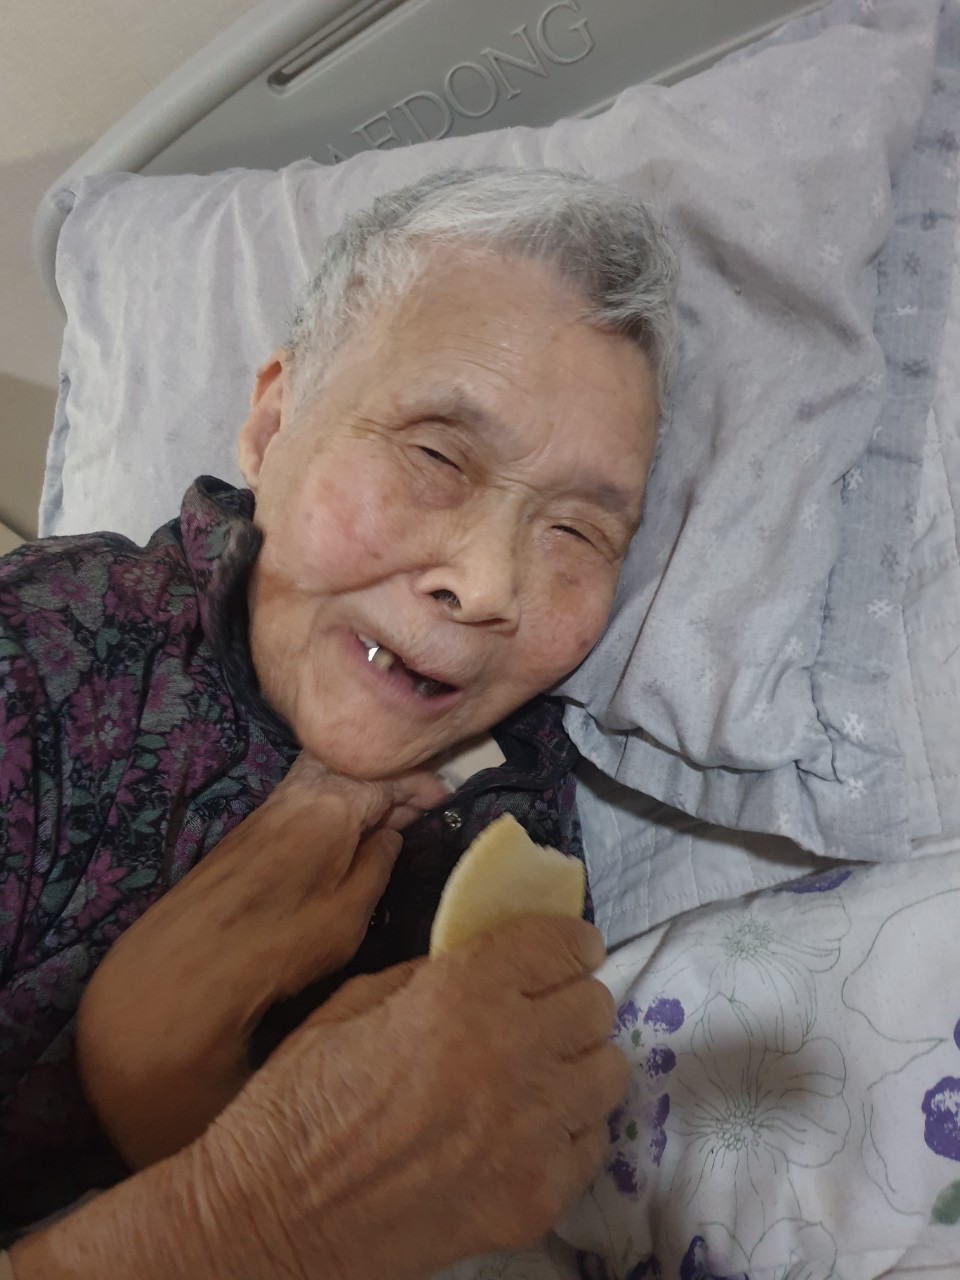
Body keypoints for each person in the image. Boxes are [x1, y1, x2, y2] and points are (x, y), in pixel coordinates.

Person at [0, 166, 676, 1275]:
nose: (488, 583)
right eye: (436, 454)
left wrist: (163, 1081)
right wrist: (241, 1217)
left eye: (577, 532)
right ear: (273, 424)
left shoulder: (504, 828)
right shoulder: (42, 656)